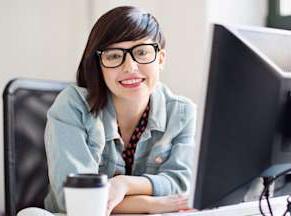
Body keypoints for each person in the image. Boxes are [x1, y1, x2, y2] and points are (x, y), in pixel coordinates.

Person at [44, 6, 197, 215]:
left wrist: (124, 184)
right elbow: (76, 201)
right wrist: (153, 205)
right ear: (99, 64)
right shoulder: (71, 105)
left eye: (142, 52)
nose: (130, 67)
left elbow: (181, 183)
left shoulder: (182, 113)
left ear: (160, 58)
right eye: (114, 56)